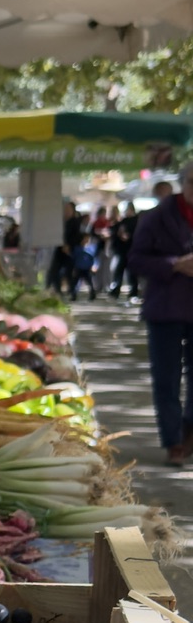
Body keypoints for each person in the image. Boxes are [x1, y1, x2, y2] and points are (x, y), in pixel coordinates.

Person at [127, 159, 193, 464]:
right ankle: (173, 441)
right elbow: (136, 260)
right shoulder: (156, 217)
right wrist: (174, 264)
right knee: (166, 378)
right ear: (183, 183)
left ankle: (188, 431)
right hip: (165, 308)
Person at [109, 200, 139, 299]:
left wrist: (128, 236)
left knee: (132, 273)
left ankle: (133, 292)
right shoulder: (124, 221)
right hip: (122, 251)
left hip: (132, 250)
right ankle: (116, 290)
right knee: (119, 271)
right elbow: (115, 231)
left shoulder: (136, 221)